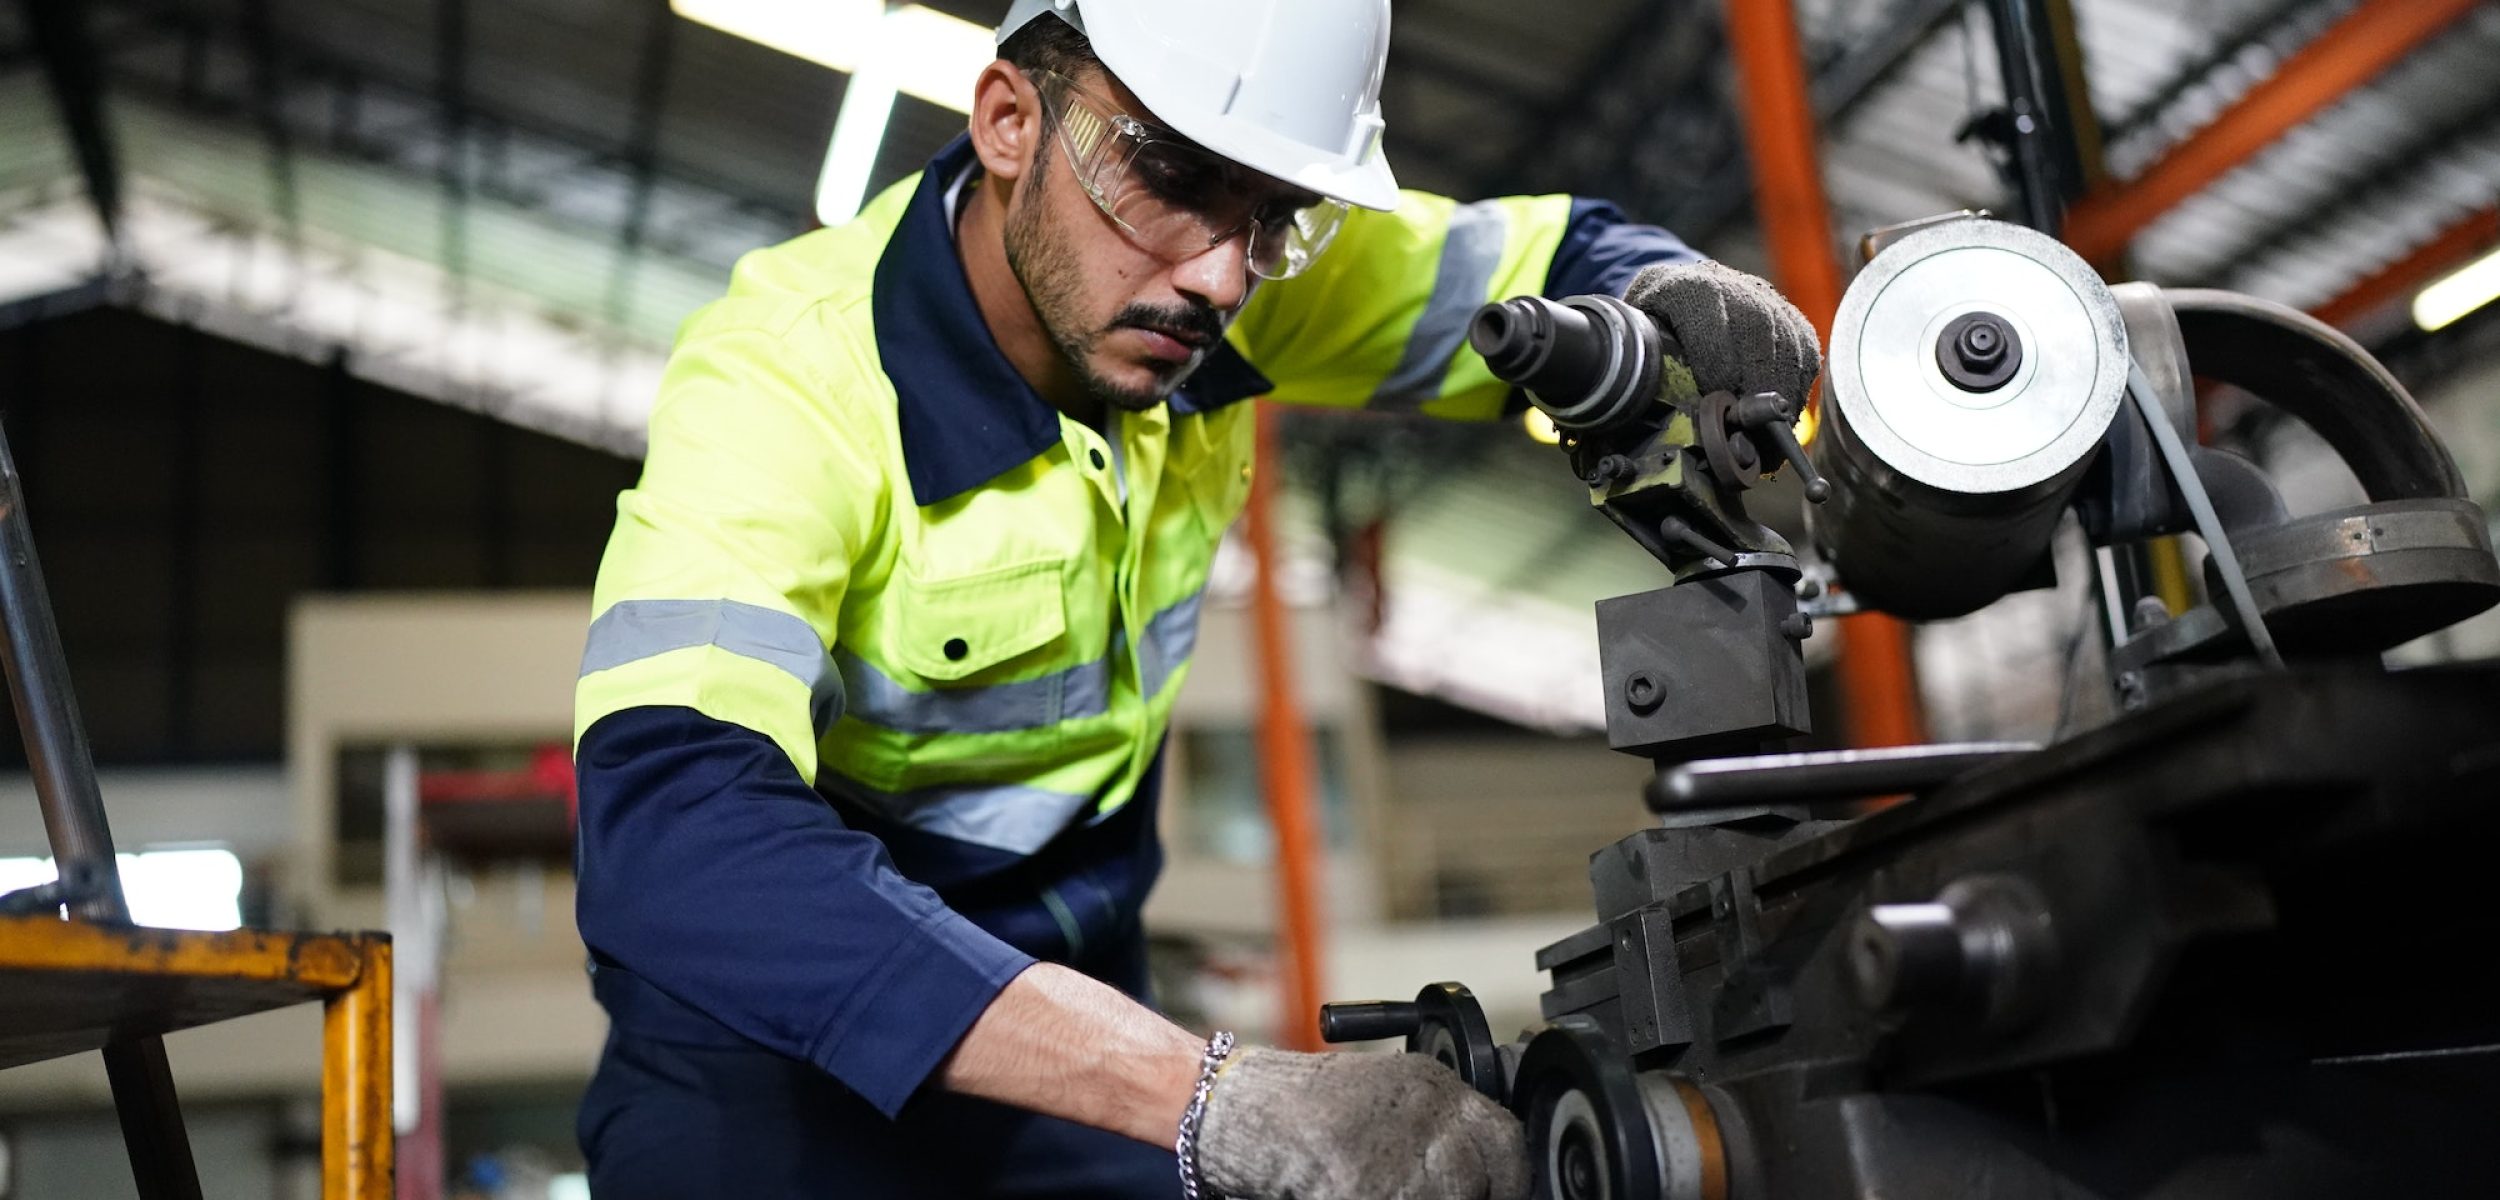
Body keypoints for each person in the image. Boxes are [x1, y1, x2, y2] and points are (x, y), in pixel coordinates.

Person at [569, 0, 1821, 1196]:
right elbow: (678, 830)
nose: (1222, 279)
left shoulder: (1223, 286)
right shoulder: (788, 386)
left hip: (1073, 1014)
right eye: (1168, 175)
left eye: (1276, 214)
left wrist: (1669, 298)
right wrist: (1203, 1092)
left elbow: (1551, 263)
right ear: (1009, 120)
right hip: (767, 1052)